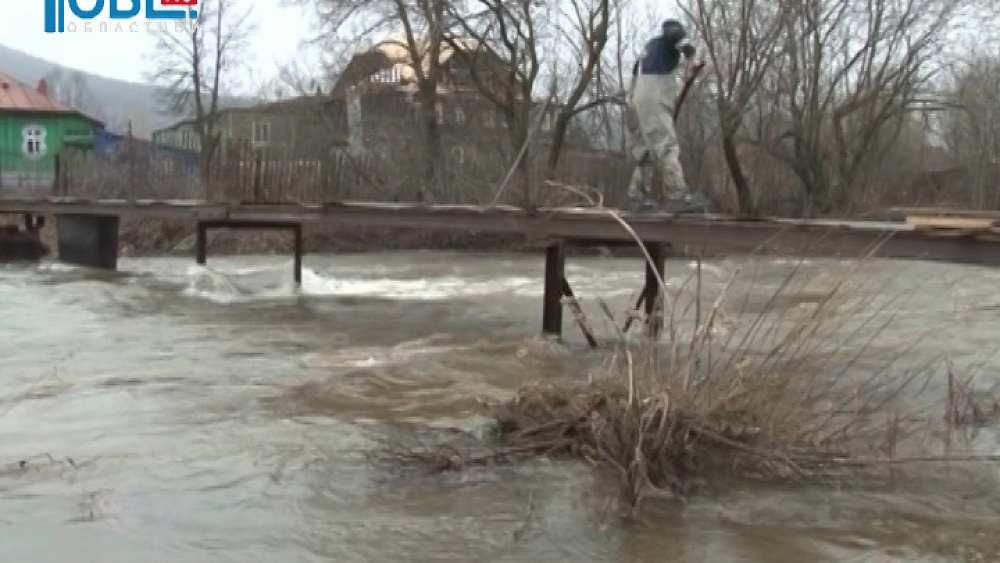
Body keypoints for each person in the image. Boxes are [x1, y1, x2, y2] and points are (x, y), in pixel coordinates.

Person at [625, 19, 713, 214]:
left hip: (634, 98)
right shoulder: (668, 40)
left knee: (645, 150)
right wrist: (691, 56)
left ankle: (637, 197)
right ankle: (677, 196)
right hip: (652, 96)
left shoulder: (650, 50)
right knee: (665, 145)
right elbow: (673, 32)